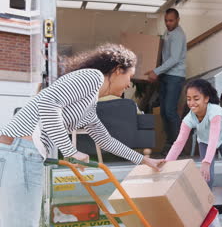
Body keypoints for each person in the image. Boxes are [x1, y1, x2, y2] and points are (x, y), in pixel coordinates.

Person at [0, 44, 165, 227]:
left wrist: (145, 160)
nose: (129, 84)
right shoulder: (91, 77)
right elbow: (48, 104)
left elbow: (106, 141)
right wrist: (71, 151)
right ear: (118, 70)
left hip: (23, 153)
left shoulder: (89, 108)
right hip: (20, 151)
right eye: (130, 77)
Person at [164, 79, 222, 223]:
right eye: (189, 99)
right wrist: (167, 163)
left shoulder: (215, 112)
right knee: (208, 177)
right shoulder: (188, 118)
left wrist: (206, 161)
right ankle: (206, 209)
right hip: (204, 141)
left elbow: (215, 137)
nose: (192, 103)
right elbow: (179, 143)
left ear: (206, 98)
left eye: (196, 98)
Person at [145, 8, 187, 154]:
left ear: (178, 20)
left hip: (175, 77)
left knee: (170, 111)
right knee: (163, 112)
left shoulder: (178, 36)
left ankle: (177, 145)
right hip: (166, 76)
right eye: (166, 20)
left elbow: (174, 59)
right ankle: (170, 143)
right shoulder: (167, 33)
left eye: (171, 20)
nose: (168, 23)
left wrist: (156, 71)